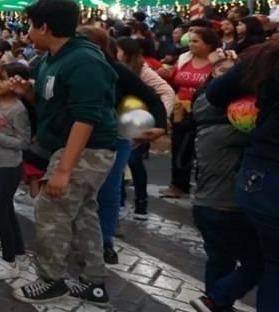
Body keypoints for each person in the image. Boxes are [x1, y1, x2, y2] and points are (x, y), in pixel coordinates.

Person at [9, 0, 118, 305]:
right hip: (65, 146)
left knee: (51, 210)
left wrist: (64, 170)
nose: (28, 32)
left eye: (31, 25)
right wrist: (27, 93)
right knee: (83, 213)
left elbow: (86, 118)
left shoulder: (85, 61)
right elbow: (52, 106)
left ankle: (51, 280)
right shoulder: (49, 59)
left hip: (87, 149)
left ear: (44, 27)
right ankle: (93, 282)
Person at [206, 39, 279, 312]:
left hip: (262, 173)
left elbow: (217, 92)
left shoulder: (267, 55)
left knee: (272, 262)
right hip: (267, 172)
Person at [77, 26, 166, 265]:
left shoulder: (116, 71)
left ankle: (105, 241)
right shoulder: (69, 67)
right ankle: (79, 238)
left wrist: (160, 126)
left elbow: (153, 97)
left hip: (114, 137)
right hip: (76, 136)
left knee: (108, 189)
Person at [189, 57, 261, 312]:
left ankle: (220, 309)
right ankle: (217, 299)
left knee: (220, 259)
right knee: (258, 262)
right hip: (228, 206)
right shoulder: (237, 129)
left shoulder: (206, 121)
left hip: (207, 204)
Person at [115, 37, 175, 220]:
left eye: (117, 50)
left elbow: (167, 92)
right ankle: (120, 202)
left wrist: (159, 119)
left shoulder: (143, 70)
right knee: (118, 164)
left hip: (139, 122)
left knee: (133, 161)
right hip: (119, 120)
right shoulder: (113, 67)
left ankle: (141, 202)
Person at [0, 63, 32, 280]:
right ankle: (19, 256)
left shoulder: (18, 110)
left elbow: (24, 143)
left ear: (14, 83)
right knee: (7, 212)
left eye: (1, 78)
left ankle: (8, 261)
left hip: (10, 167)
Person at [161, 27, 221, 198]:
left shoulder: (217, 61)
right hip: (180, 109)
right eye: (190, 41)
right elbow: (177, 80)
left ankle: (204, 186)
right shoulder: (184, 58)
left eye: (196, 41)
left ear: (209, 44)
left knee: (203, 150)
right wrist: (167, 75)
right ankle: (178, 184)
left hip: (205, 110)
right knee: (179, 147)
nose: (191, 44)